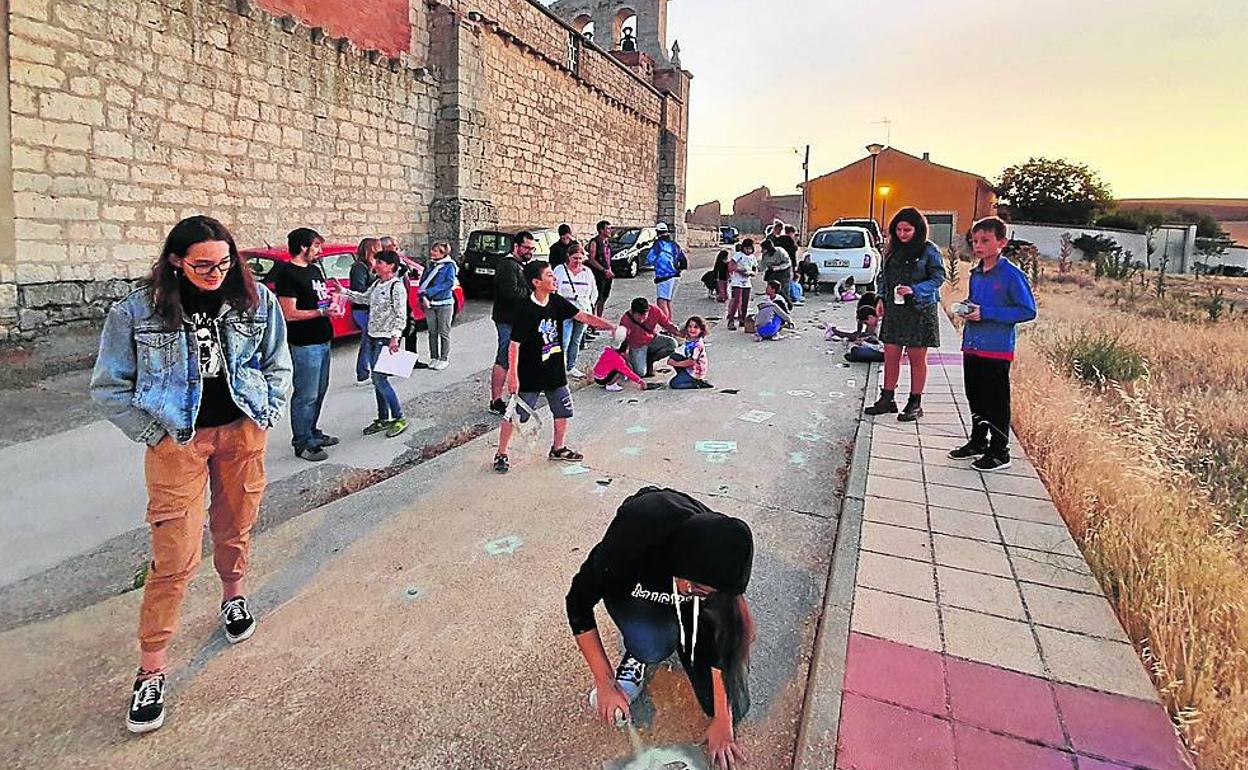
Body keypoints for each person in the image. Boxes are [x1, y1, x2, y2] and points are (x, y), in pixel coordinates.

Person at [90, 215, 292, 734]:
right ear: (176, 261)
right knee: (175, 554)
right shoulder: (137, 311)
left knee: (236, 527)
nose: (216, 273)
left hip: (242, 431)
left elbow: (277, 363)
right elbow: (109, 387)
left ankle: (233, 596)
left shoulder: (255, 300)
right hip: (177, 441)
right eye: (203, 264)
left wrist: (267, 410)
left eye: (225, 263)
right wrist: (152, 434)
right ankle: (152, 668)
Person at [567, 487, 754, 770]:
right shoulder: (629, 544)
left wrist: (722, 720)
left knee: (733, 709)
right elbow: (578, 604)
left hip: (690, 564)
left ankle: (684, 629)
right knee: (650, 643)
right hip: (642, 572)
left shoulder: (718, 559)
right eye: (698, 589)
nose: (696, 594)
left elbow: (723, 639)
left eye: (707, 593)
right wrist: (605, 683)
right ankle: (638, 653)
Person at [493, 261, 616, 473]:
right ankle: (501, 453)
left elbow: (583, 316)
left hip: (555, 371)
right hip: (530, 374)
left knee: (563, 410)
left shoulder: (557, 301)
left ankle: (558, 448)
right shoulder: (525, 309)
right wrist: (513, 376)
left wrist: (610, 326)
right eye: (549, 275)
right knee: (515, 416)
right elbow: (514, 345)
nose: (555, 279)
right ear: (536, 282)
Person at [949, 216, 1038, 472]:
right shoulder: (976, 272)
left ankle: (1000, 451)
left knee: (995, 400)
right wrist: (967, 308)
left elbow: (1026, 310)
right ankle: (978, 441)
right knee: (974, 396)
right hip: (973, 344)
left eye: (985, 240)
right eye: (975, 241)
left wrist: (987, 312)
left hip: (996, 349)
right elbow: (976, 301)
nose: (978, 245)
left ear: (1002, 242)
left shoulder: (1011, 274)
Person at [864, 207, 948, 421]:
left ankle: (915, 402)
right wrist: (881, 298)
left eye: (907, 230)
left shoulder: (929, 250)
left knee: (916, 359)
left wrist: (916, 290)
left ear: (917, 230)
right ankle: (887, 398)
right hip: (895, 309)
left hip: (920, 310)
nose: (902, 234)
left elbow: (939, 277)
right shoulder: (891, 250)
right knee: (891, 355)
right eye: (899, 230)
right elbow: (883, 276)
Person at [275, 227, 339, 461]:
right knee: (306, 394)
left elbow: (319, 301)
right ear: (303, 247)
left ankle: (313, 432)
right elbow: (289, 313)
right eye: (316, 246)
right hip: (304, 343)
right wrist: (321, 311)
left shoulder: (314, 269)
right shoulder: (287, 274)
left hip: (323, 339)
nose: (319, 251)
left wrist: (332, 305)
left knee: (319, 391)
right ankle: (302, 442)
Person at [336, 250, 410, 438]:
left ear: (391, 266)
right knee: (378, 381)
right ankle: (383, 418)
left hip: (385, 339)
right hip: (372, 336)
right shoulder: (377, 284)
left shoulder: (397, 287)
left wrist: (395, 337)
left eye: (380, 262)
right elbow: (364, 298)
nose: (375, 265)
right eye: (376, 261)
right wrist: (344, 292)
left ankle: (399, 417)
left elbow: (401, 315)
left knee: (380, 379)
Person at [488, 231, 536, 415]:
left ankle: (519, 395)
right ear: (516, 246)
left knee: (521, 358)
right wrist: (533, 291)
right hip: (507, 320)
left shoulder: (523, 265)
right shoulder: (507, 265)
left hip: (521, 320)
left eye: (532, 248)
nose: (529, 252)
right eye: (526, 248)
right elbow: (511, 292)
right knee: (504, 359)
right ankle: (496, 400)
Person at [554, 240, 599, 379]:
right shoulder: (559, 270)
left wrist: (589, 307)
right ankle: (560, 368)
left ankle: (571, 366)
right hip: (565, 310)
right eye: (575, 258)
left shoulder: (587, 272)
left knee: (576, 340)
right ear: (568, 256)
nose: (578, 261)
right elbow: (555, 290)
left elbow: (593, 292)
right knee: (564, 340)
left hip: (582, 310)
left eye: (580, 258)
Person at [620, 297, 684, 378]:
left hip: (652, 339)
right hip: (637, 346)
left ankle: (650, 359)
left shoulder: (655, 311)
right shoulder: (625, 320)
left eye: (644, 317)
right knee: (640, 373)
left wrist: (679, 332)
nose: (641, 320)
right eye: (639, 318)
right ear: (632, 312)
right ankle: (633, 359)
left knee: (672, 344)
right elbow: (624, 341)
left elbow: (666, 324)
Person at [420, 240, 458, 371]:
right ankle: (434, 357)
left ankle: (444, 358)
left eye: (435, 251)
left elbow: (448, 283)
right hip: (429, 303)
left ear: (443, 253)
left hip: (444, 304)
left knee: (443, 331)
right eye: (432, 250)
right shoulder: (430, 265)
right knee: (432, 331)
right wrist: (423, 297)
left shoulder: (449, 266)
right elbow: (423, 281)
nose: (432, 252)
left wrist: (430, 292)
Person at [350, 238, 381, 383]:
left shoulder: (370, 266)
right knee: (367, 342)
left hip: (371, 308)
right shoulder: (359, 268)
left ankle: (371, 371)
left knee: (371, 341)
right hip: (362, 309)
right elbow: (358, 289)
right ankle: (362, 374)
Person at [593, 332, 662, 392]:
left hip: (597, 377)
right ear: (624, 350)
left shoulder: (608, 350)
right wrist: (640, 381)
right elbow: (628, 371)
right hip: (602, 380)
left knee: (619, 368)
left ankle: (609, 381)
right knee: (620, 371)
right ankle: (610, 385)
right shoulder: (618, 359)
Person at [646, 222, 687, 318]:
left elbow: (650, 258)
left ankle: (666, 326)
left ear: (657, 232)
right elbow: (684, 262)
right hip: (675, 276)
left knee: (662, 302)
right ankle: (669, 324)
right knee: (667, 302)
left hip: (664, 276)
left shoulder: (659, 245)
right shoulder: (674, 244)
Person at [669, 316, 713, 389]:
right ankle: (683, 376)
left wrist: (675, 364)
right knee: (674, 356)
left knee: (674, 384)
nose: (692, 329)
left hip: (695, 371)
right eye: (690, 327)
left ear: (701, 330)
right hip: (690, 367)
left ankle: (697, 383)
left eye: (696, 327)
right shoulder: (690, 340)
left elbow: (692, 361)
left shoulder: (697, 345)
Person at [586, 220, 615, 319]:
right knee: (596, 298)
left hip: (607, 275)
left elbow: (608, 259)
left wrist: (609, 270)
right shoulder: (595, 242)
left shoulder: (607, 243)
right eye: (608, 228)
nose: (610, 230)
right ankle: (593, 321)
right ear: (601, 230)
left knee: (603, 298)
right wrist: (603, 270)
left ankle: (599, 318)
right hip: (598, 274)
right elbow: (591, 259)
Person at [726, 239, 757, 331]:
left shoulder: (753, 257)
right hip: (737, 281)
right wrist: (739, 270)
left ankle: (743, 319)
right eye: (746, 248)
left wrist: (752, 273)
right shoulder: (738, 255)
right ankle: (731, 320)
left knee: (745, 302)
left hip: (747, 282)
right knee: (737, 300)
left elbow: (755, 269)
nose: (748, 250)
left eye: (750, 249)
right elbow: (731, 266)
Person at [758, 240, 793, 304]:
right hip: (772, 271)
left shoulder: (780, 251)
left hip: (784, 271)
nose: (763, 250)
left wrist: (778, 267)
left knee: (783, 289)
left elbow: (788, 262)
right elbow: (763, 266)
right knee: (771, 288)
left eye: (764, 248)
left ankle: (787, 303)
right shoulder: (765, 255)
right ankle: (772, 303)